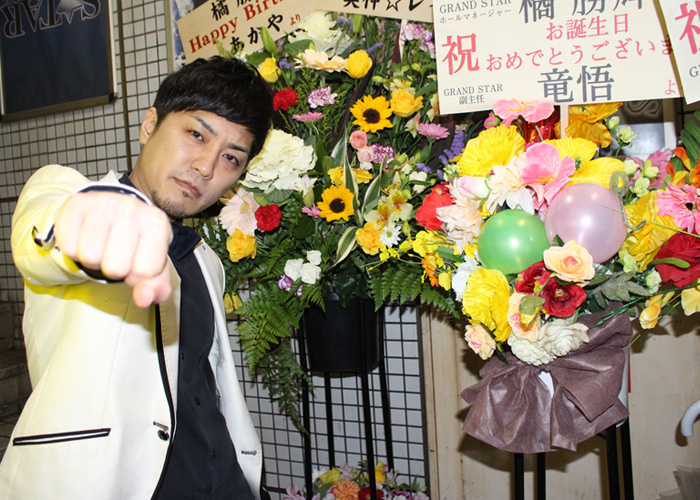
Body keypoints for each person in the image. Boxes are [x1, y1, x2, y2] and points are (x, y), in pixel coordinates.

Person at [1, 56, 274, 499]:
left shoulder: (206, 261)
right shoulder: (66, 193)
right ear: (149, 125)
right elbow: (46, 233)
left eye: (230, 157)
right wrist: (91, 225)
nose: (206, 167)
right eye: (196, 134)